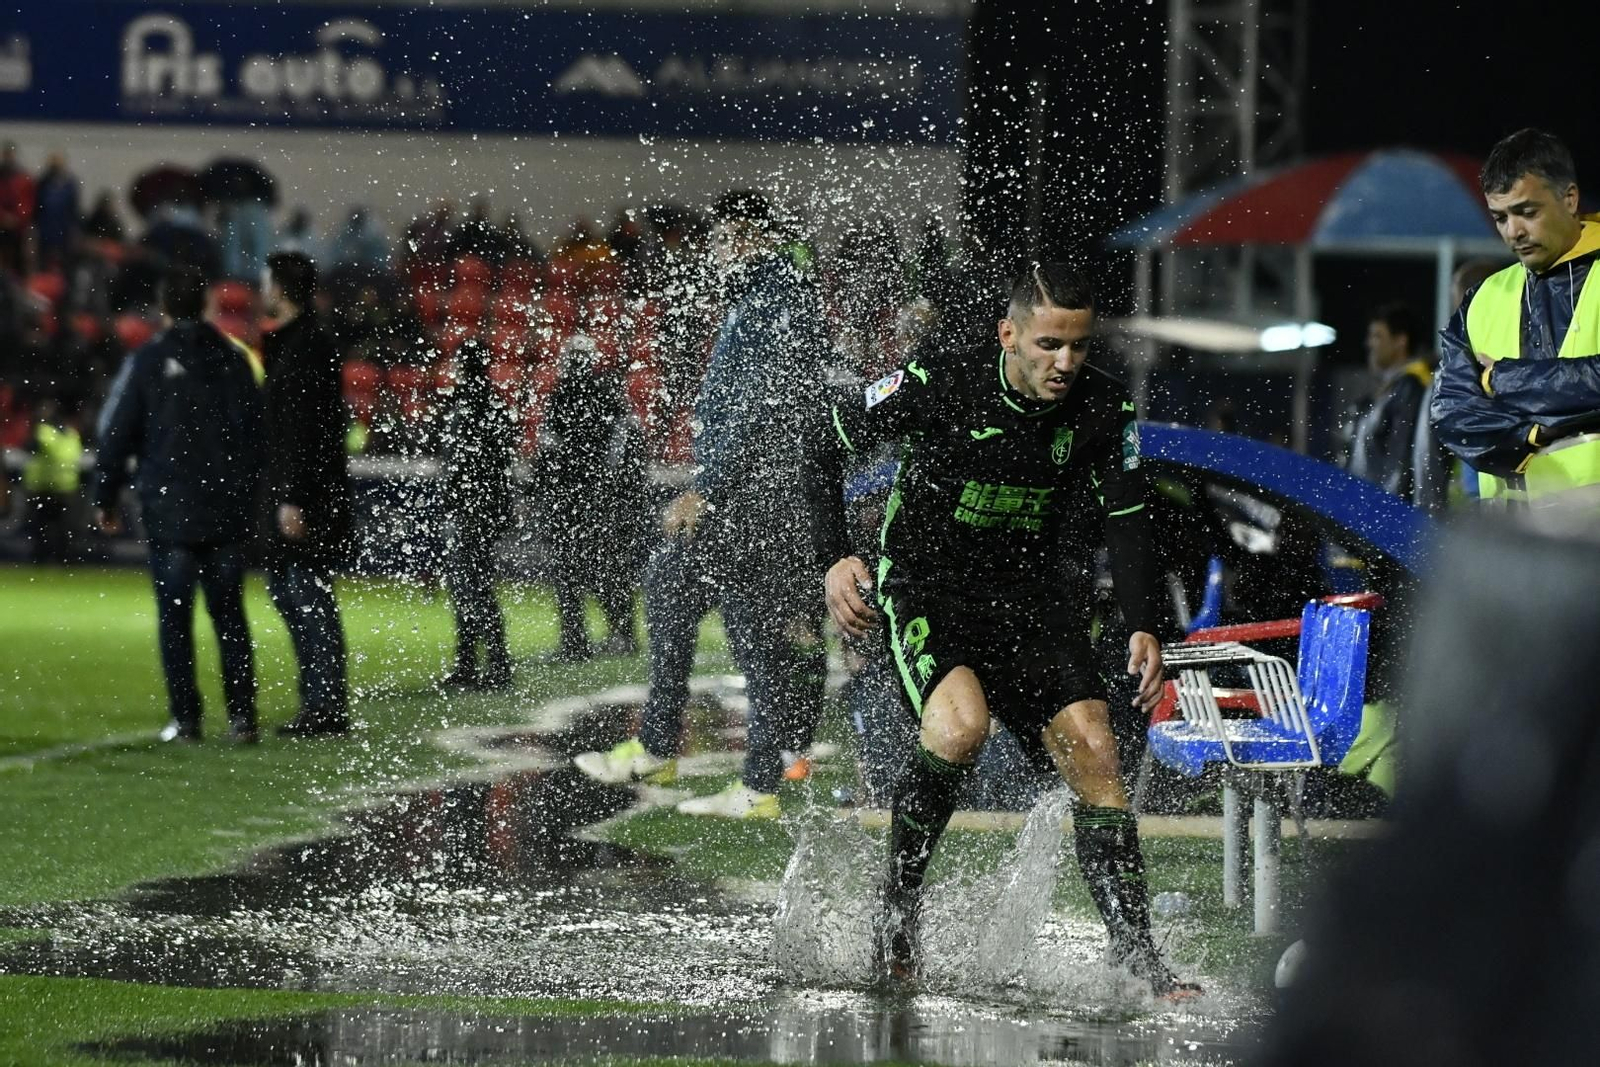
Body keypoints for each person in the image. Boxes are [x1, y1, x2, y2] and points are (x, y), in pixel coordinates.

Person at [804, 263, 1197, 998]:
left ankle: (1141, 961)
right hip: (931, 588)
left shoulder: (1105, 408)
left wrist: (1144, 622)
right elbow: (820, 444)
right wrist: (834, 556)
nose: (1066, 363)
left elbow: (1128, 516)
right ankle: (896, 918)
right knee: (960, 729)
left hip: (1036, 602)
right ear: (1008, 334)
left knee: (1099, 753)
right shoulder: (939, 381)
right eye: (1049, 344)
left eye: (1079, 347)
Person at [573, 190, 829, 819]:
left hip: (753, 495)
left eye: (719, 240)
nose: (712, 254)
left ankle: (667, 748)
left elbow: (763, 402)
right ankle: (757, 780)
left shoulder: (775, 297)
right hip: (762, 492)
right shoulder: (772, 294)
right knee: (748, 627)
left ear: (744, 237)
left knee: (681, 587)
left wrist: (708, 485)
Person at [90, 266, 266, 743]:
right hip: (225, 509)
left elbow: (118, 431)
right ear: (206, 306)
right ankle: (242, 717)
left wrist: (104, 495)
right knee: (230, 617)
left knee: (175, 617)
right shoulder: (234, 359)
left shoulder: (148, 361)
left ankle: (186, 720)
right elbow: (256, 433)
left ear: (164, 309)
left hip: (169, 507)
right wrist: (248, 493)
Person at [1432, 128, 1600, 508]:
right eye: (1500, 218)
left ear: (1570, 199)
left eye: (1527, 212)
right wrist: (1538, 432)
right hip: (1514, 538)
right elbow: (1452, 414)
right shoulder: (1482, 298)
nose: (1514, 232)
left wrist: (1501, 380)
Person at [260, 251, 353, 737]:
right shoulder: (300, 343)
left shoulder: (308, 346)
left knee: (305, 594)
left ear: (279, 288)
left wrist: (293, 496)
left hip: (305, 495)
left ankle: (325, 704)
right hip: (299, 489)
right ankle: (320, 700)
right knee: (295, 592)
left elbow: (307, 429)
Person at [533, 333, 646, 662]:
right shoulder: (606, 394)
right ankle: (616, 635)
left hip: (576, 499)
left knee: (576, 572)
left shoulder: (563, 396)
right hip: (596, 499)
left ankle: (579, 641)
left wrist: (545, 487)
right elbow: (623, 448)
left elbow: (549, 449)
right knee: (605, 570)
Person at [437, 335, 517, 690]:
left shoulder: (463, 404)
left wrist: (455, 501)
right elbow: (503, 460)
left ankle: (481, 664)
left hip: (470, 509)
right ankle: (488, 663)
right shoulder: (495, 403)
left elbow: (459, 463)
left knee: (470, 588)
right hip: (488, 507)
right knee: (477, 586)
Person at [1345, 302, 1430, 498]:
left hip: (1381, 514)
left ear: (1400, 341)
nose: (1369, 344)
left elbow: (1401, 461)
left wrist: (1388, 512)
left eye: (1377, 336)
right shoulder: (1390, 390)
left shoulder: (1411, 389)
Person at [21, 396, 81, 563]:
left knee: (40, 527)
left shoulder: (43, 432)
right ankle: (64, 559)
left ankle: (40, 558)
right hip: (66, 489)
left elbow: (29, 447)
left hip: (43, 487)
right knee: (63, 528)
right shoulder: (72, 434)